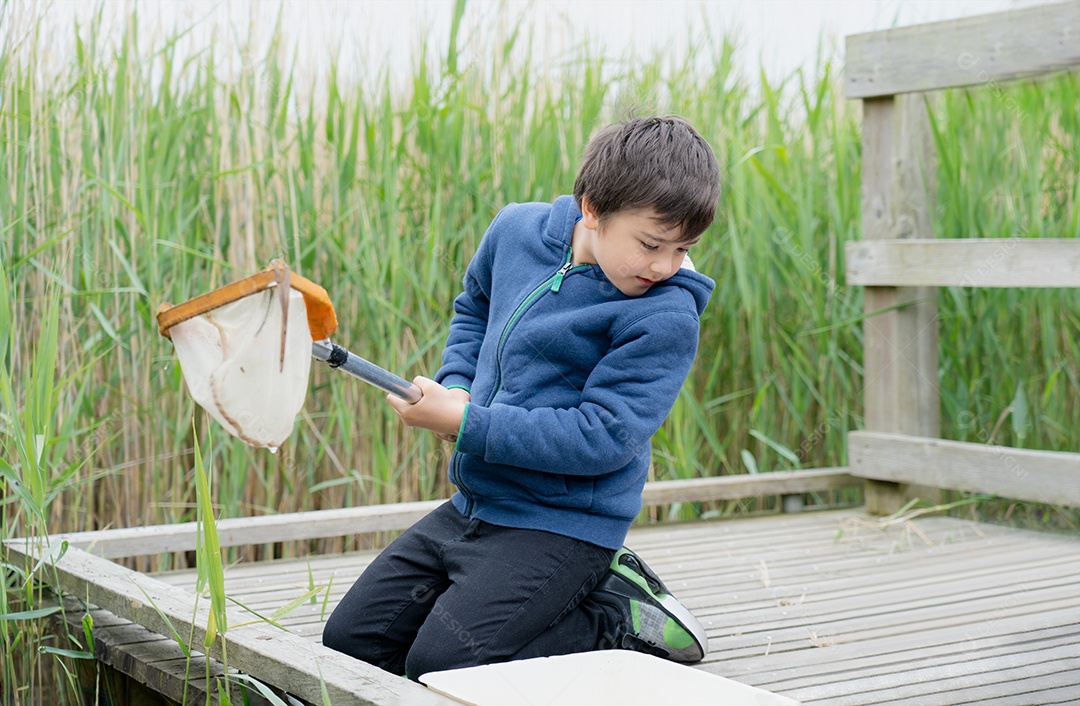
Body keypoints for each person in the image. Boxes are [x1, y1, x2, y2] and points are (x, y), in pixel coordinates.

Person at [322, 115, 720, 680]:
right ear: (592, 210)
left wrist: (470, 425)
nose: (665, 265)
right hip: (475, 502)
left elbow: (602, 437)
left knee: (444, 664)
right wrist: (457, 388)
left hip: (563, 524)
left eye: (684, 248)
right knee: (349, 643)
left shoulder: (665, 317)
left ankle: (615, 622)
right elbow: (474, 310)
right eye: (652, 244)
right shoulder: (515, 232)